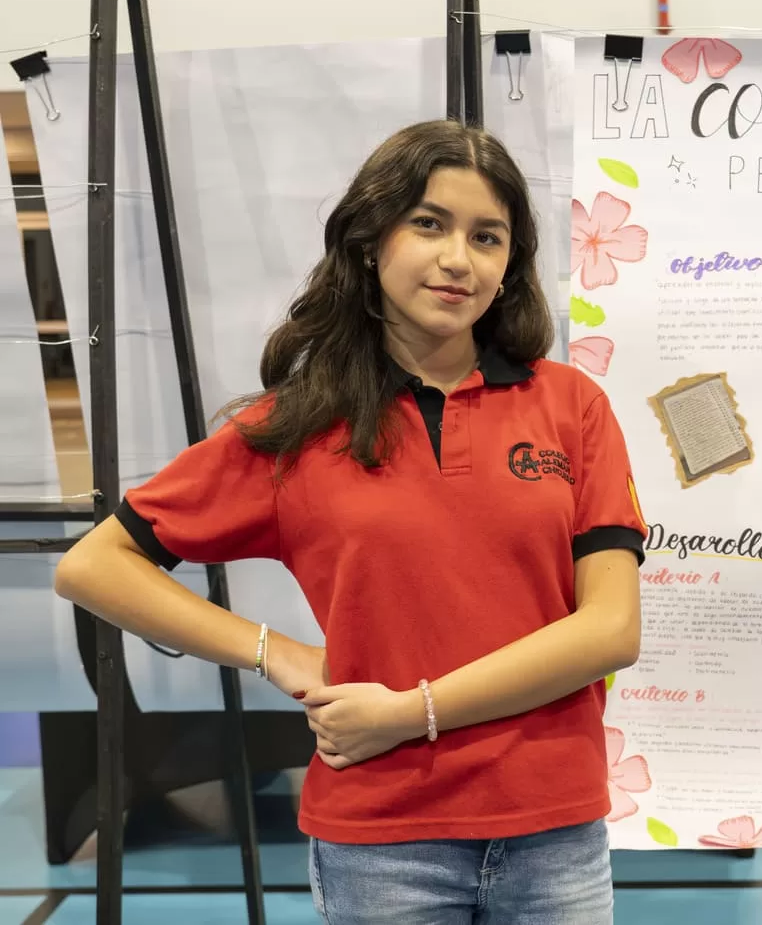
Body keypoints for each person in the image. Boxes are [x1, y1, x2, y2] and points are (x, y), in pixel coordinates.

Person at [53, 119, 647, 923]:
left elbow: (610, 630)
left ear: (510, 265)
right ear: (371, 242)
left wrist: (412, 713)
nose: (458, 259)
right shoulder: (299, 427)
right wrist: (278, 653)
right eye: (429, 224)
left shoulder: (571, 406)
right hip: (383, 846)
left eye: (487, 237)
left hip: (555, 834)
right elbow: (93, 565)